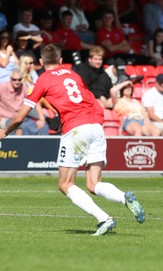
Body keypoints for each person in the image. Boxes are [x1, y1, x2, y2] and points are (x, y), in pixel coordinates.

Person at [0, 44, 145, 236]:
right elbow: (88, 99)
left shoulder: (42, 80)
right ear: (60, 61)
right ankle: (123, 197)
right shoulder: (74, 75)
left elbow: (19, 117)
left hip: (77, 129)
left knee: (65, 184)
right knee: (93, 183)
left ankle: (104, 218)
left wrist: (5, 131)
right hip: (96, 126)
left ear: (42, 62)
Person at [0, 69, 48, 135]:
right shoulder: (2, 87)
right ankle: (17, 145)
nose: (17, 82)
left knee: (43, 127)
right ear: (10, 79)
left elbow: (35, 101)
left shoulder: (23, 87)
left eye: (19, 79)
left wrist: (41, 119)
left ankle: (43, 145)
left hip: (21, 118)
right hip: (6, 118)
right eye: (14, 79)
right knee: (19, 129)